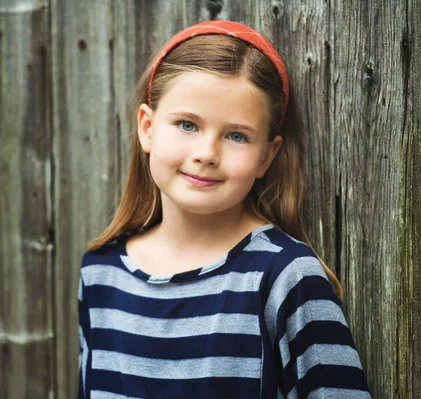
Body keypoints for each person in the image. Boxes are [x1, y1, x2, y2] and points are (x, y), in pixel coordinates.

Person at [76, 20, 370, 398]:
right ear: (147, 128)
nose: (206, 154)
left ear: (267, 155)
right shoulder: (101, 273)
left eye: (236, 136)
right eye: (186, 124)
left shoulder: (284, 277)